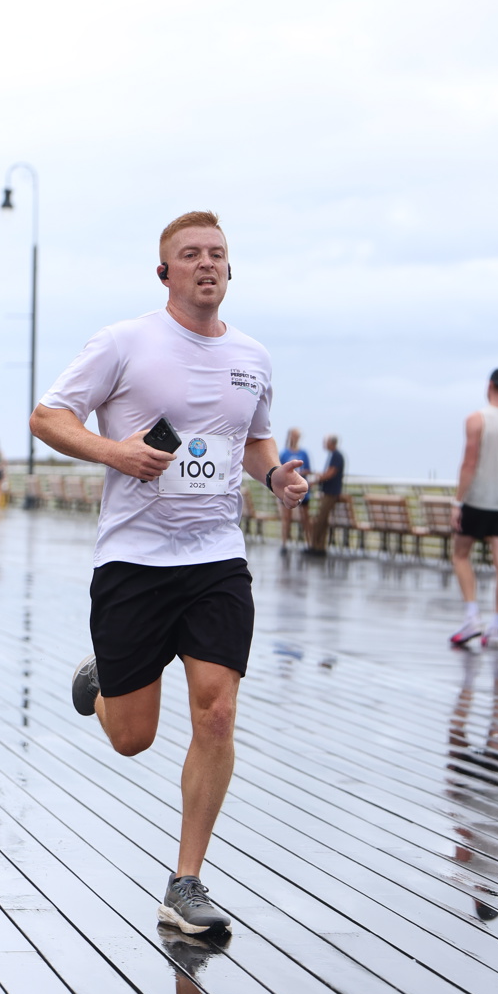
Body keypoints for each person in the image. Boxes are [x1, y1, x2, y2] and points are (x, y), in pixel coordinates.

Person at [30, 211, 307, 935]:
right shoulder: (124, 342)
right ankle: (104, 681)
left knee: (217, 712)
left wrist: (275, 474)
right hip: (135, 561)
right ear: (165, 273)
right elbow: (48, 417)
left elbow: (253, 440)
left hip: (217, 559)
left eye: (217, 253)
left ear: (230, 270)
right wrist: (115, 452)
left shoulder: (253, 357)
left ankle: (186, 883)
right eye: (191, 255)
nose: (206, 263)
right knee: (132, 738)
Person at [449, 369, 498, 648]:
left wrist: (458, 502)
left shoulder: (477, 419)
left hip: (477, 498)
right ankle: (496, 626)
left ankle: (472, 616)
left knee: (460, 555)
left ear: (490, 385)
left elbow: (469, 462)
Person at [306, 435, 344, 555]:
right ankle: (318, 546)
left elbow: (330, 474)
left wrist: (316, 480)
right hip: (328, 492)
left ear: (331, 443)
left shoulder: (336, 456)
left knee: (320, 520)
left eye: (326, 442)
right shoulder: (334, 455)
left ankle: (316, 546)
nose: (324, 444)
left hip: (331, 493)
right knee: (322, 520)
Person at [278, 428, 311, 546]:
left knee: (305, 517)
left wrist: (299, 473)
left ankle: (308, 543)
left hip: (302, 491)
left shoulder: (304, 453)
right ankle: (284, 543)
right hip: (288, 489)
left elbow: (308, 470)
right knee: (286, 517)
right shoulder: (284, 454)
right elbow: (279, 470)